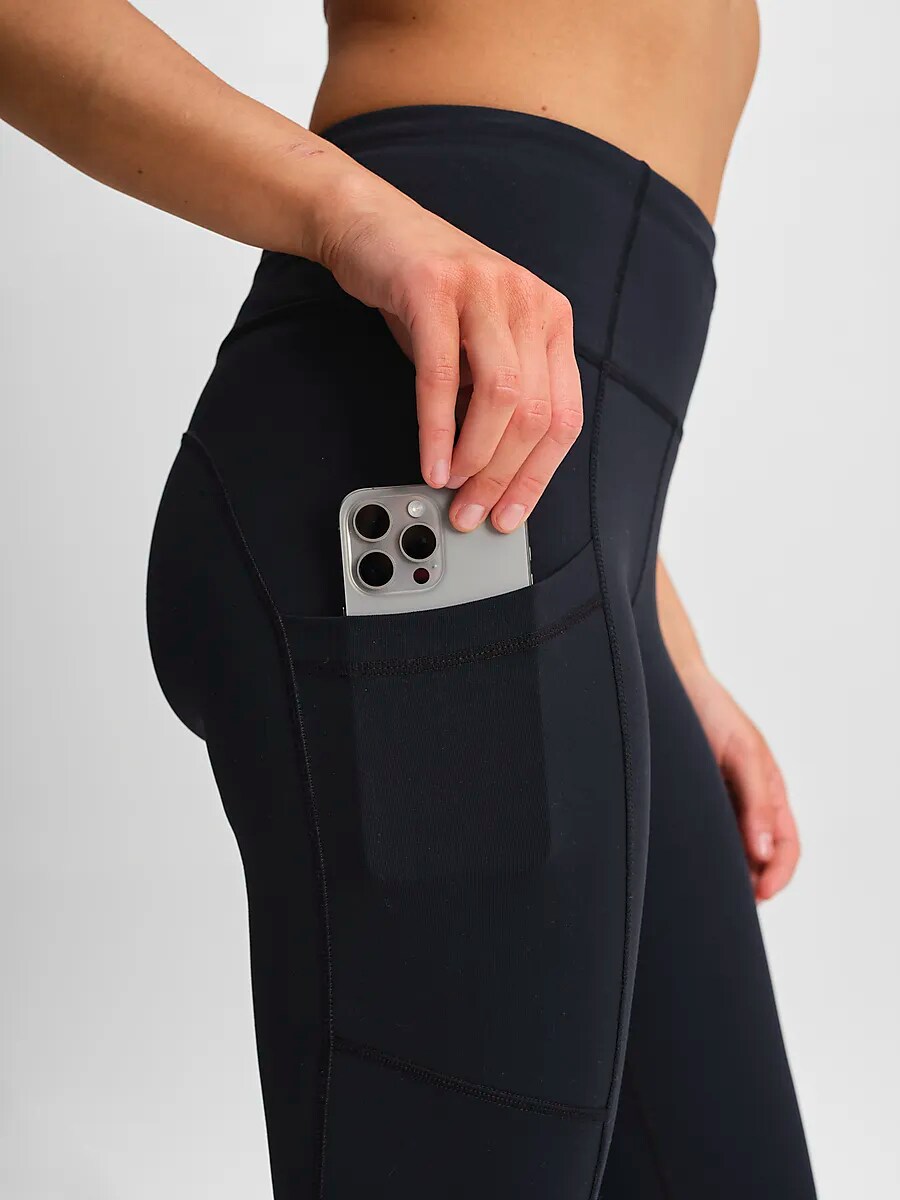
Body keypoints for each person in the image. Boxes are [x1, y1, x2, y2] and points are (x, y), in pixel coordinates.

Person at [1, 1, 818, 1196]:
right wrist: (349, 210)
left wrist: (660, 640)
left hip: (546, 546)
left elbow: (568, 403)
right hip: (402, 501)